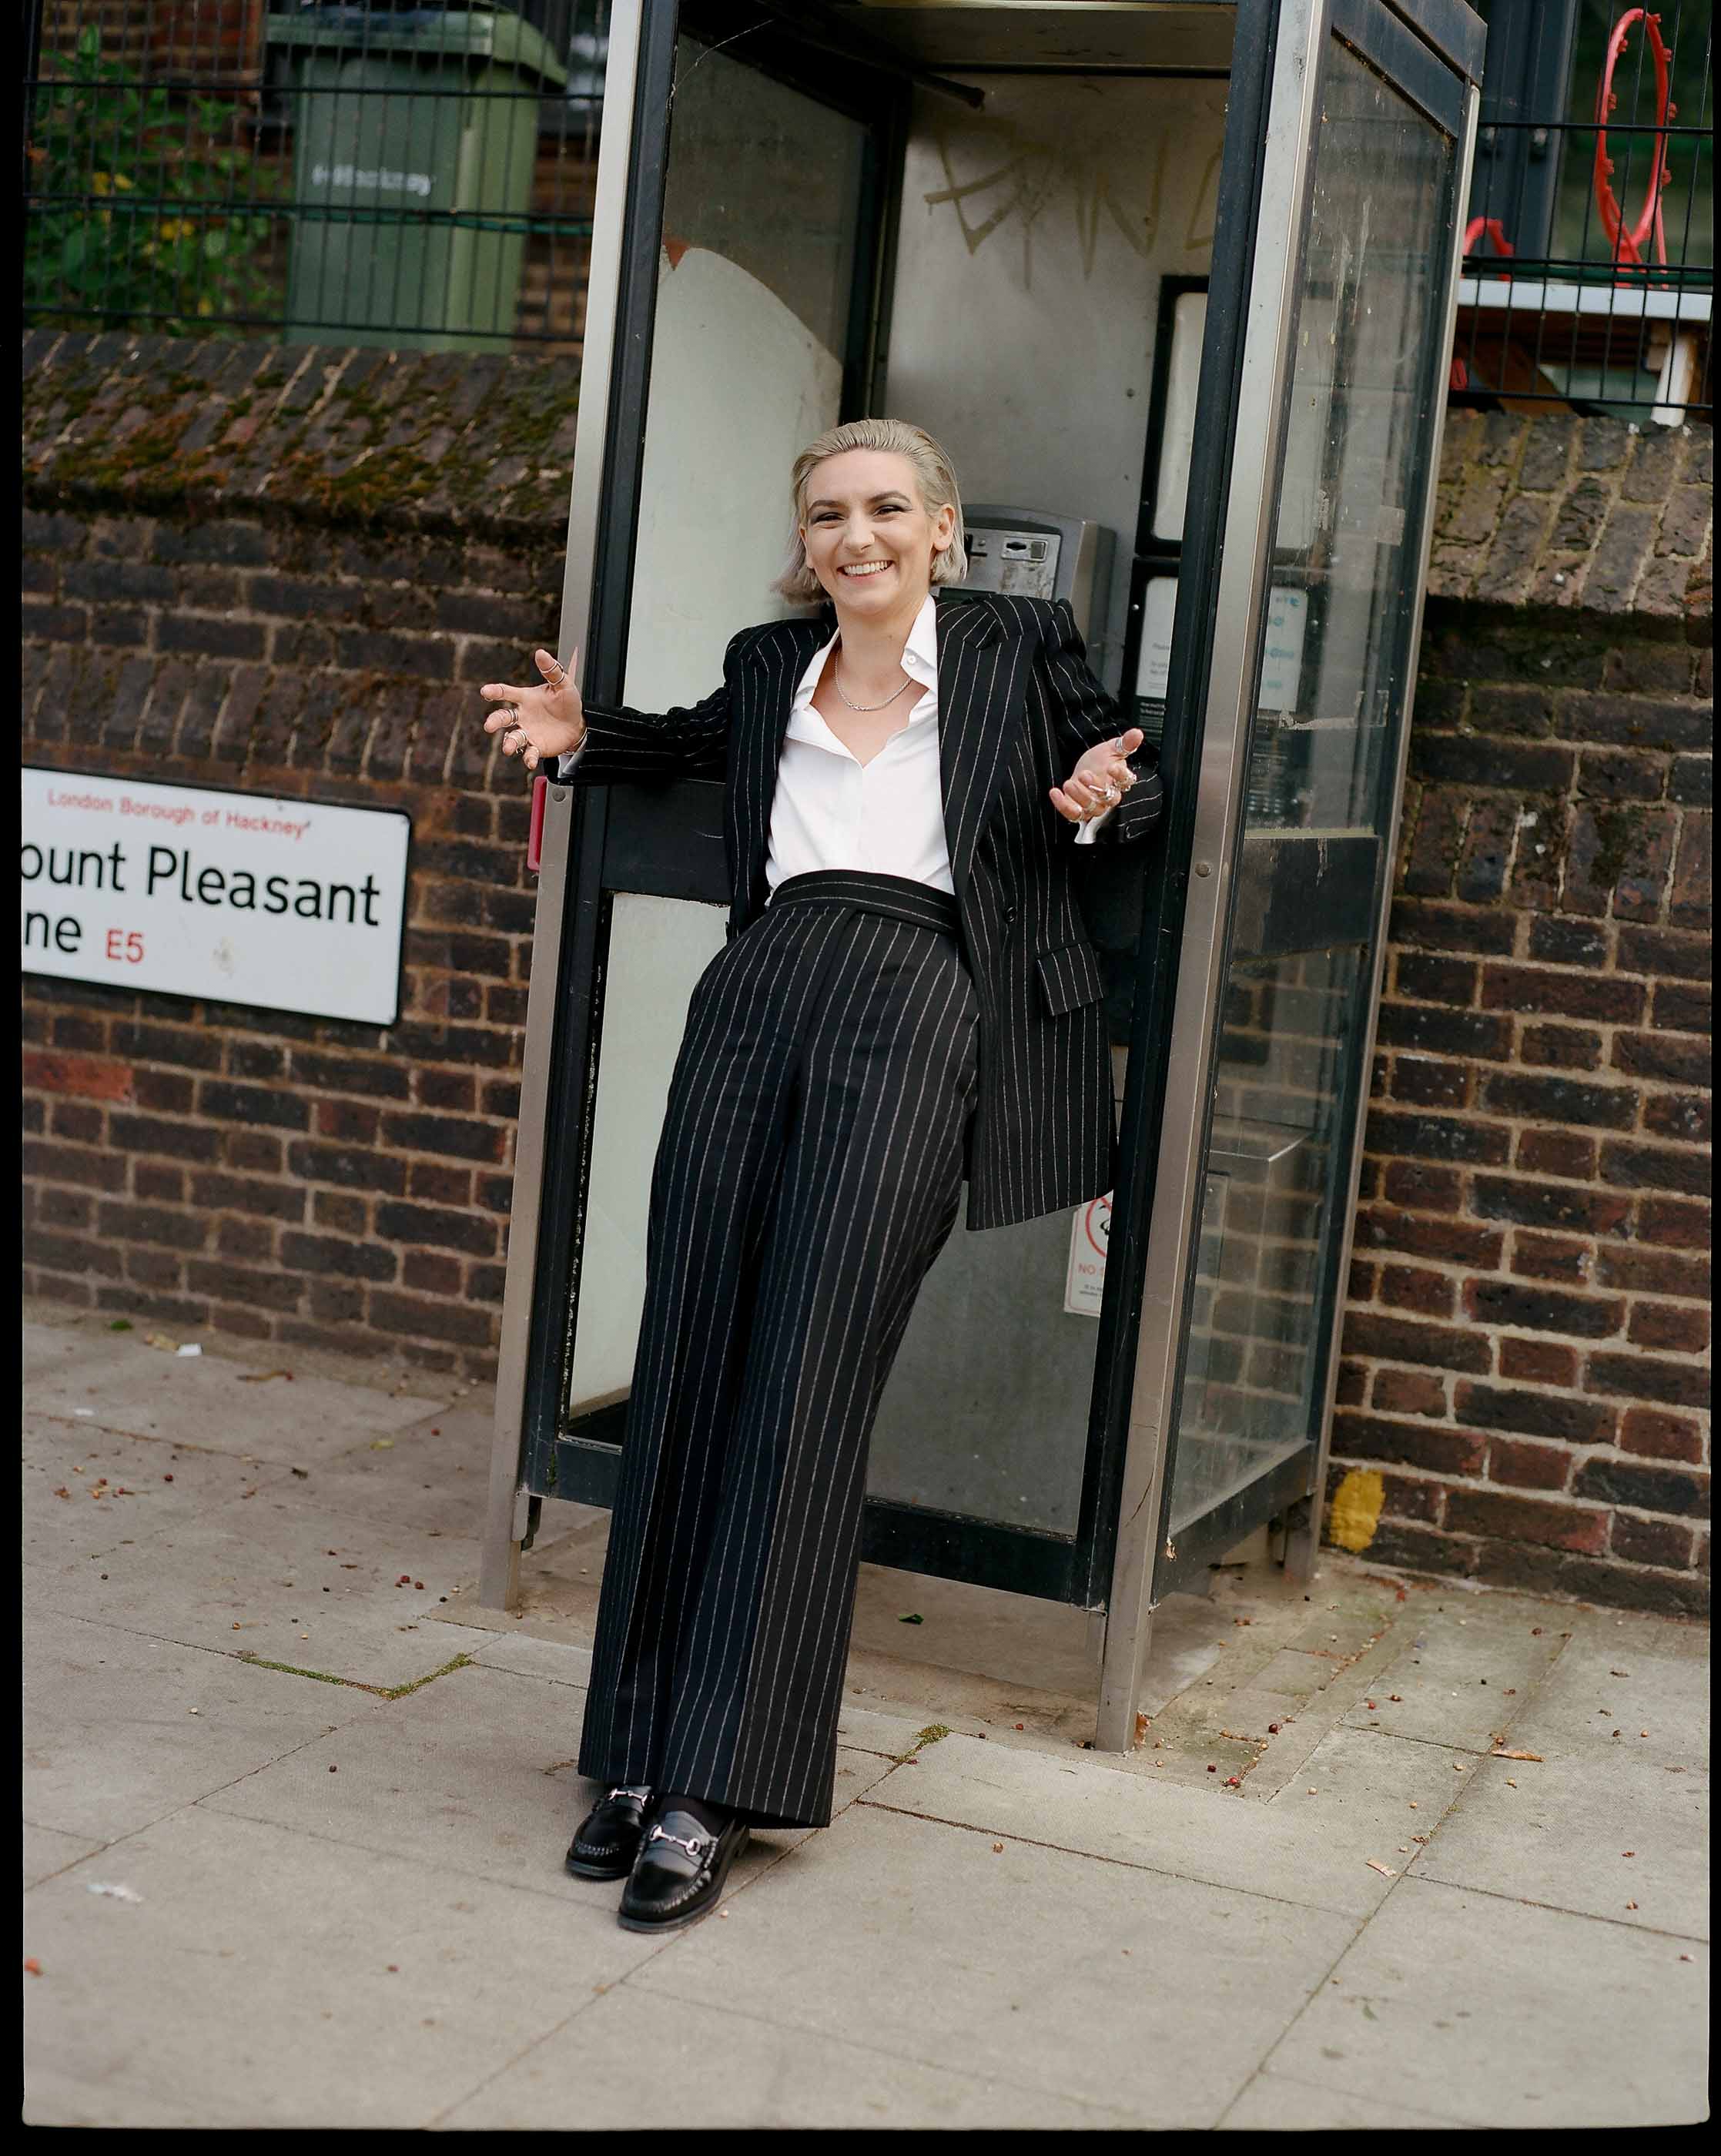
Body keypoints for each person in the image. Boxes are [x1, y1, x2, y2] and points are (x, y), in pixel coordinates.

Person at [479, 417, 1162, 1934]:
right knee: (688, 1358)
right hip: (754, 995)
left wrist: (1103, 798)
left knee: (803, 1383)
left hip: (920, 1002)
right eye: (829, 514)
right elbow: (677, 744)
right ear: (805, 544)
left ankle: (721, 1779)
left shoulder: (1013, 644)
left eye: (886, 508)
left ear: (942, 527)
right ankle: (637, 1747)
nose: (857, 535)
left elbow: (1130, 773)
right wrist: (579, 735)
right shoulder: (766, 662)